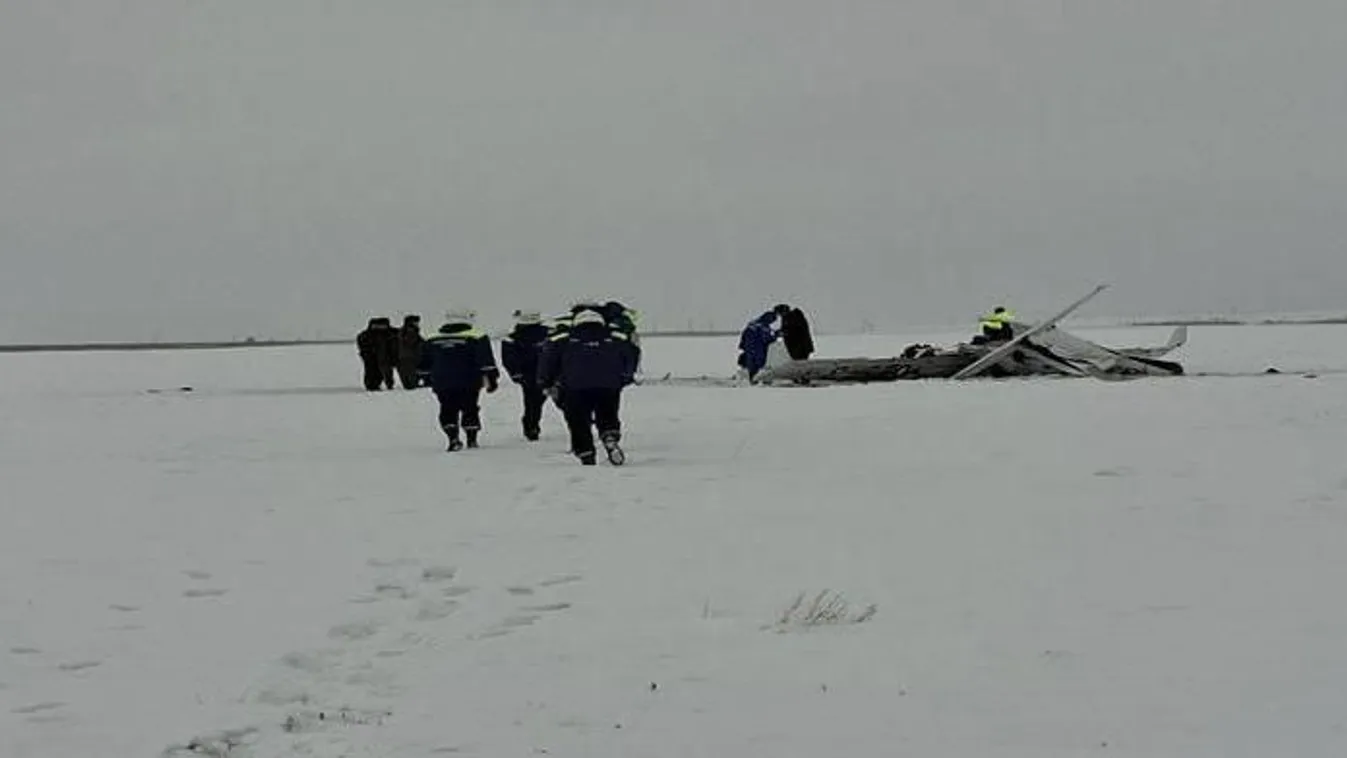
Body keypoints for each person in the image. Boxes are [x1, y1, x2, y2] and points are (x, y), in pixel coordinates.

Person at [538, 308, 639, 466]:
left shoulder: (563, 338)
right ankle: (609, 435)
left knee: (578, 421)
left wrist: (546, 382)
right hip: (608, 386)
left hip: (574, 387)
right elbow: (631, 354)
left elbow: (548, 361)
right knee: (607, 413)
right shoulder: (616, 337)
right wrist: (625, 377)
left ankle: (586, 453)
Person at [418, 309, 500, 451]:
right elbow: (485, 360)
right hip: (469, 381)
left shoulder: (432, 338)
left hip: (442, 382)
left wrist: (425, 378)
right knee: (470, 407)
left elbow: (424, 362)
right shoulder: (477, 336)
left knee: (447, 409)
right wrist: (492, 379)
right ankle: (471, 438)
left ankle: (452, 438)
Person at [501, 309, 551, 441]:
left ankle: (531, 428)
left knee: (532, 403)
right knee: (566, 402)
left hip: (528, 376)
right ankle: (581, 425)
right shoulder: (549, 333)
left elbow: (508, 358)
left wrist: (516, 374)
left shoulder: (513, 337)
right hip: (551, 373)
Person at [736, 311, 780, 382]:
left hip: (749, 349)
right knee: (758, 365)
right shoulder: (763, 327)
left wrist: (742, 346)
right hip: (758, 350)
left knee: (751, 366)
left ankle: (751, 379)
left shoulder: (752, 324)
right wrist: (776, 335)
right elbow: (767, 339)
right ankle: (755, 380)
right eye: (773, 320)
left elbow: (744, 337)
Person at [356, 317, 398, 391]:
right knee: (373, 373)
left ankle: (374, 384)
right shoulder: (366, 336)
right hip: (373, 357)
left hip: (380, 357)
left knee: (375, 372)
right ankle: (374, 384)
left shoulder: (390, 334)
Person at [396, 314, 425, 389]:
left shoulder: (405, 331)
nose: (417, 324)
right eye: (415, 322)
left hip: (406, 356)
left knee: (408, 375)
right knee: (411, 376)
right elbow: (411, 342)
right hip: (409, 356)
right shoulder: (410, 331)